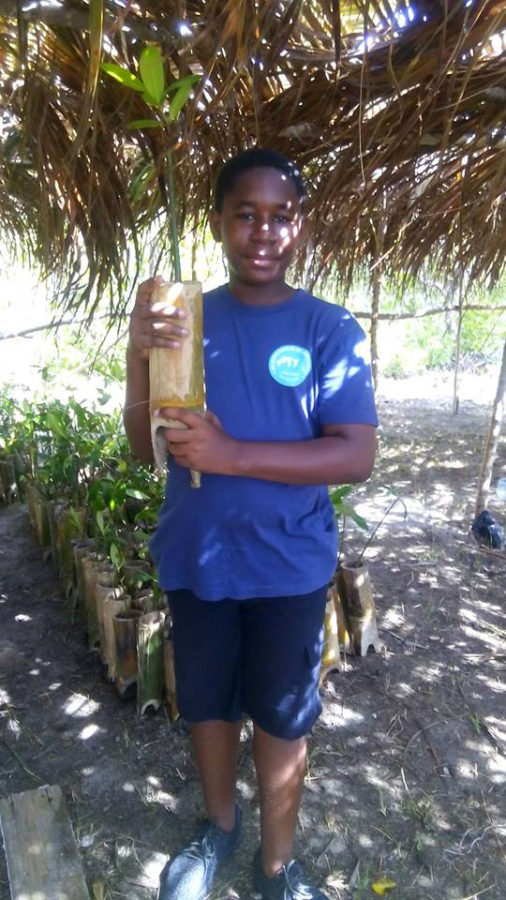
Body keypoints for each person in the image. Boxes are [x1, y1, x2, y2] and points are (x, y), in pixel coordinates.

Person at [124, 148, 377, 900]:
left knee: (283, 712)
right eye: (245, 214)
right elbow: (143, 447)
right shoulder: (187, 319)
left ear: (300, 226)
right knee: (207, 701)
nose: (263, 231)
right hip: (198, 555)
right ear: (217, 223)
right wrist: (139, 355)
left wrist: (231, 454)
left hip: (287, 564)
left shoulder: (327, 328)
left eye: (280, 216)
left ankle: (276, 864)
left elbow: (355, 453)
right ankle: (219, 828)